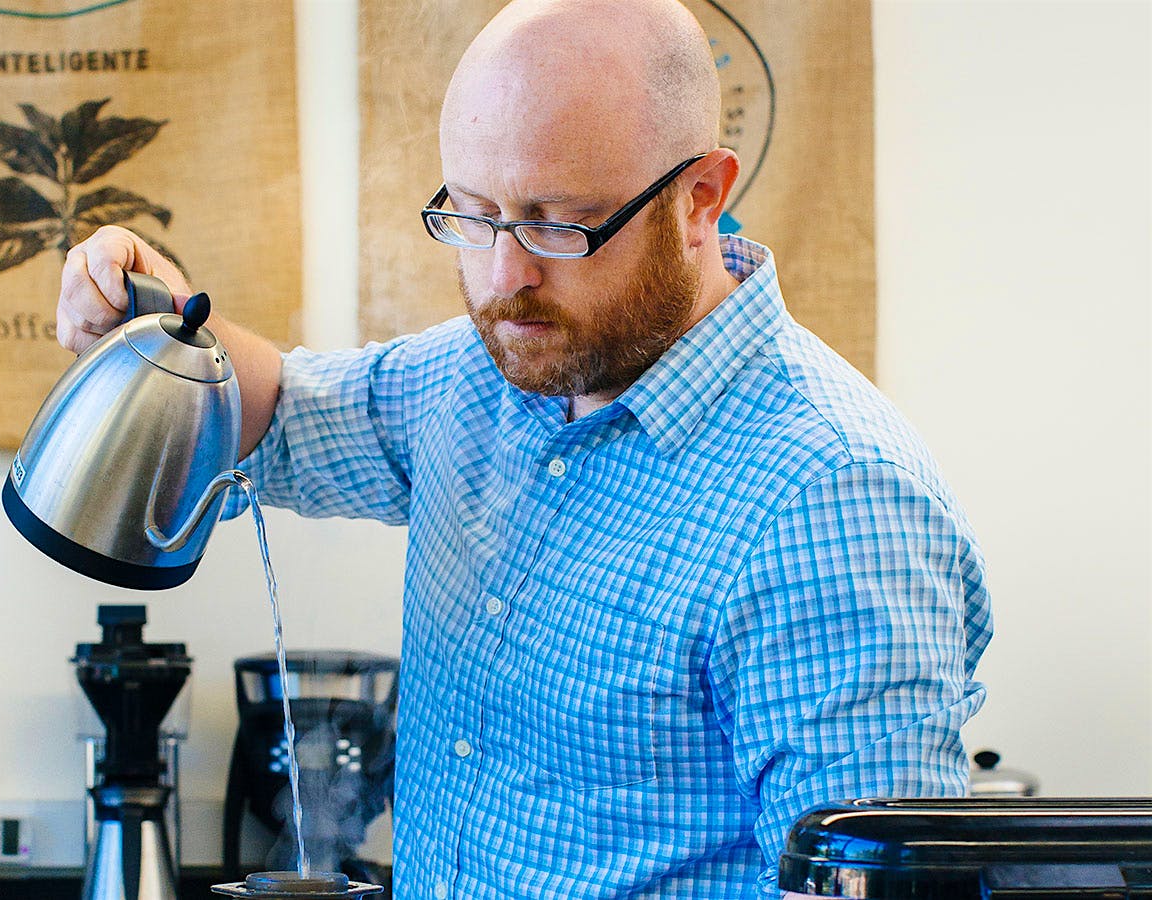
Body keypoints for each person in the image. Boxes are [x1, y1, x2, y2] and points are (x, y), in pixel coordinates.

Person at [56, 0, 992, 896]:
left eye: (557, 222)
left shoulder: (830, 498)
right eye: (472, 213)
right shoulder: (484, 374)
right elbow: (281, 412)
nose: (505, 279)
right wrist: (166, 318)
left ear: (701, 197)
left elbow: (866, 891)